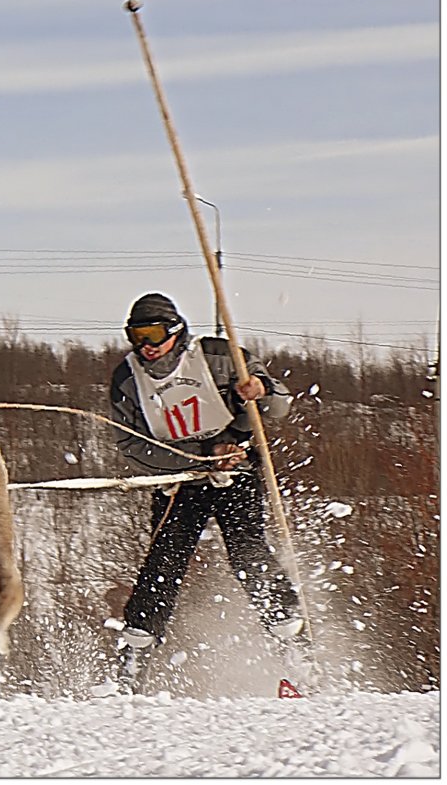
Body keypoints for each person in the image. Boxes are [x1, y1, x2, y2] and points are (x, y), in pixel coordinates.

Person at [109, 292, 305, 688]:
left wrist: (261, 393)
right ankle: (133, 662)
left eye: (154, 334)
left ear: (176, 330)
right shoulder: (127, 378)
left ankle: (293, 647)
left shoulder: (218, 353)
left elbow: (280, 404)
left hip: (237, 469)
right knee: (163, 564)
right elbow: (131, 445)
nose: (146, 346)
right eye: (136, 336)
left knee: (247, 550)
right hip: (180, 480)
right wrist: (200, 455)